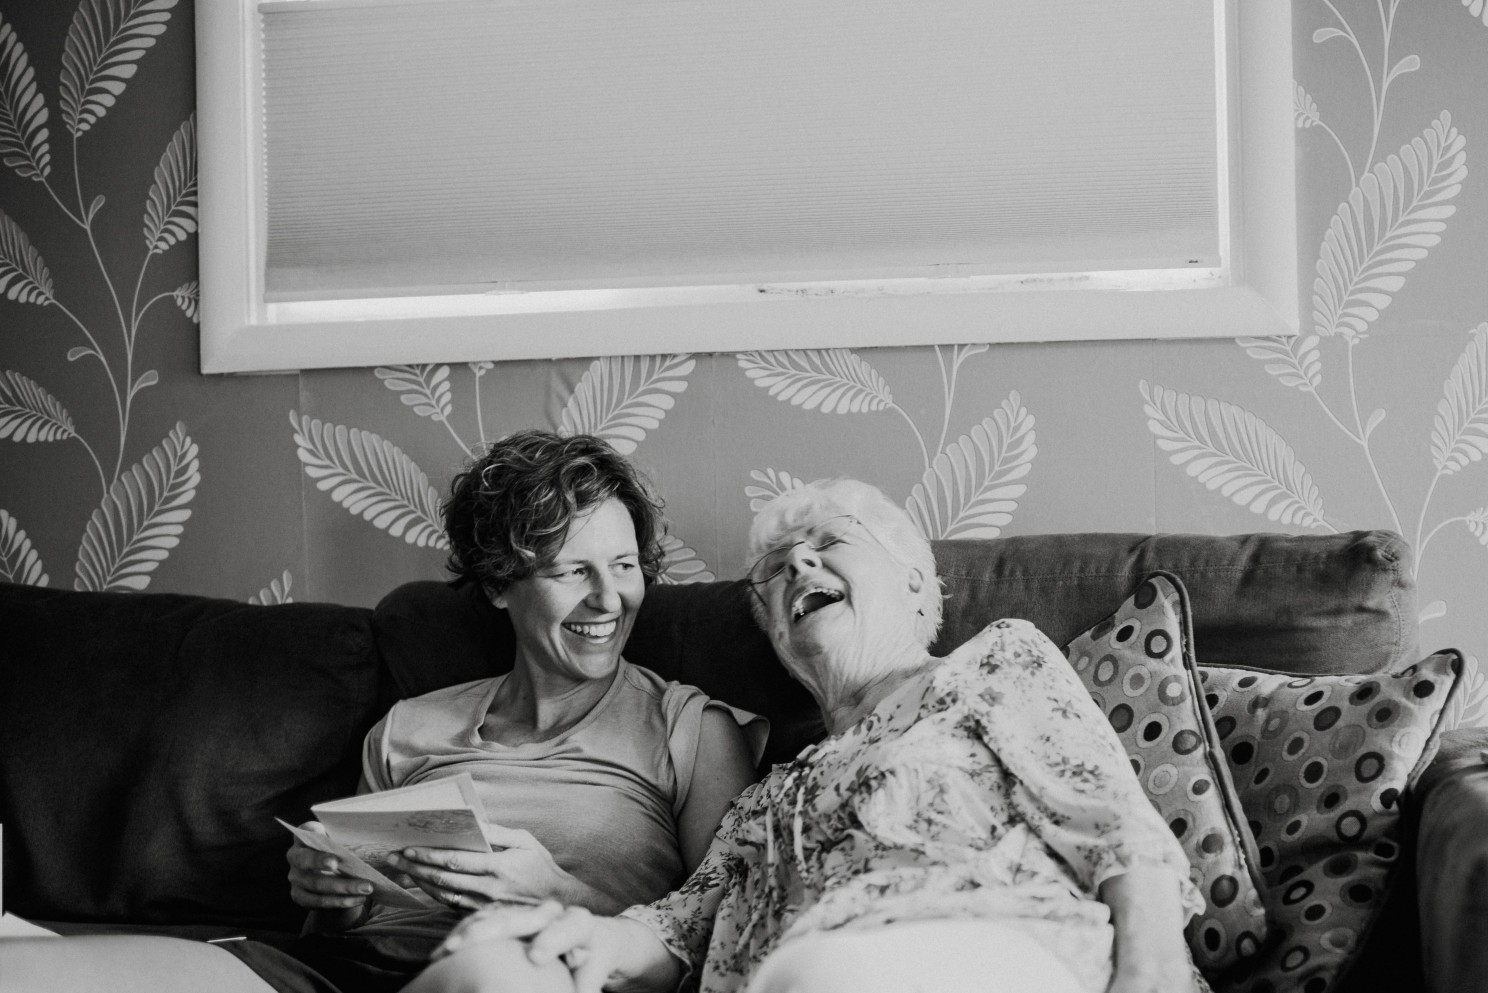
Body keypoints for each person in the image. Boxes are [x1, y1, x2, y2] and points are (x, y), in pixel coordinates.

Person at [0, 430, 762, 993]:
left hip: (525, 971)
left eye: (624, 566)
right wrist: (330, 888)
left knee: (496, 975)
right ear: (500, 585)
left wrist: (559, 894)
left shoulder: (689, 727)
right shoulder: (408, 726)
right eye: (573, 570)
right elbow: (345, 921)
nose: (609, 597)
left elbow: (717, 935)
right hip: (335, 976)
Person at [409, 478, 1206, 993]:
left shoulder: (991, 663)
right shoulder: (770, 792)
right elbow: (681, 925)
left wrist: (1152, 974)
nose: (796, 564)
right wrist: (576, 934)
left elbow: (1114, 825)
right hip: (805, 975)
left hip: (993, 945)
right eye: (776, 570)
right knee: (492, 965)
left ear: (916, 581)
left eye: (829, 544)